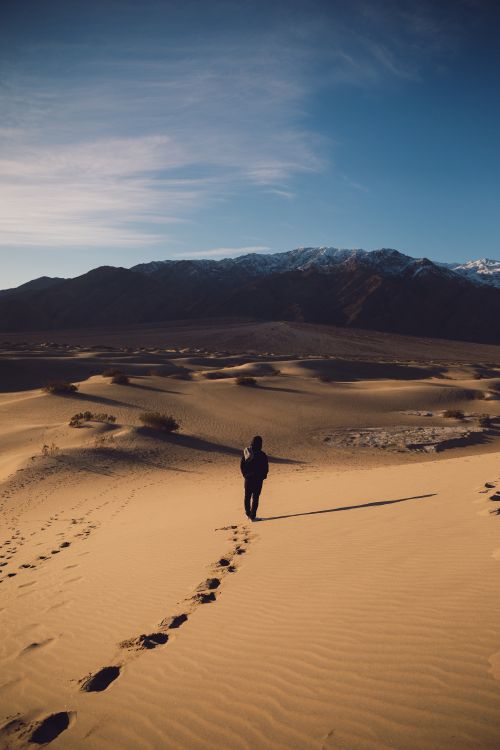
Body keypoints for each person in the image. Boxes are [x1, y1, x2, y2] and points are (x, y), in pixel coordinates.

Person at [240, 435, 268, 521]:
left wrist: (245, 475)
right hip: (258, 480)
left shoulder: (247, 452)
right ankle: (252, 516)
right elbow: (266, 467)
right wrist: (263, 476)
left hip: (248, 479)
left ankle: (248, 514)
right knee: (255, 498)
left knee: (247, 497)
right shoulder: (262, 454)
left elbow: (242, 465)